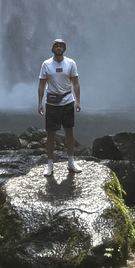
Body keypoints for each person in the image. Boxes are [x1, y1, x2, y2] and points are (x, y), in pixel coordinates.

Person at [38, 38, 81, 175]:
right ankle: (50, 165)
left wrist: (78, 101)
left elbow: (75, 83)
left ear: (64, 49)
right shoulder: (46, 64)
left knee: (69, 132)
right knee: (51, 134)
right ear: (52, 49)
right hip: (52, 103)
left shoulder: (71, 63)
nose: (58, 48)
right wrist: (39, 103)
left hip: (68, 101)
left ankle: (71, 161)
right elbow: (41, 85)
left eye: (61, 46)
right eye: (56, 46)